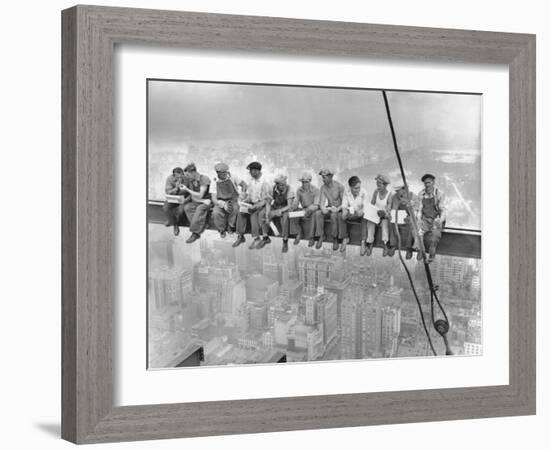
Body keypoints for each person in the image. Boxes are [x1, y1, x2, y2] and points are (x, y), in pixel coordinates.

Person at [233, 161, 272, 249]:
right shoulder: (251, 181)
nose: (250, 173)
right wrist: (244, 201)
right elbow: (250, 196)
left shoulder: (265, 182)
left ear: (256, 171)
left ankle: (259, 238)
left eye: (251, 171)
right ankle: (240, 236)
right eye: (250, 171)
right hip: (253, 204)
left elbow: (267, 199)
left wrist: (256, 206)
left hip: (263, 205)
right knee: (241, 212)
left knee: (254, 215)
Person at [177, 163, 212, 243]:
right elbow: (193, 197)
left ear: (193, 173)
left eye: (188, 175)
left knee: (200, 209)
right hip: (200, 201)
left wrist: (187, 189)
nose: (187, 177)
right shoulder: (191, 181)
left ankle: (195, 233)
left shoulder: (204, 179)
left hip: (208, 201)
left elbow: (200, 195)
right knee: (187, 207)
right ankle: (202, 225)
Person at [211, 162, 247, 239]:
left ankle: (230, 226)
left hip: (233, 199)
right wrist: (223, 204)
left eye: (226, 172)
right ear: (218, 173)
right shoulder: (214, 181)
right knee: (216, 213)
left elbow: (244, 184)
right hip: (221, 201)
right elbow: (214, 199)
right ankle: (221, 229)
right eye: (223, 173)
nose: (225, 174)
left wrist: (243, 193)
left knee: (235, 209)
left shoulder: (232, 176)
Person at [417, 173, 447, 263]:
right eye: (425, 183)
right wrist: (418, 219)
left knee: (434, 237)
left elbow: (443, 210)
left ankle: (431, 255)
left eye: (429, 183)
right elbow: (419, 209)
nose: (427, 185)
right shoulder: (421, 194)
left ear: (433, 182)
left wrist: (440, 220)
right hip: (425, 219)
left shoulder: (439, 194)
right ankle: (420, 251)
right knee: (419, 233)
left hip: (436, 219)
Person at [262, 174, 295, 253]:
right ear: (277, 184)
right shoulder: (272, 188)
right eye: (281, 185)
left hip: (285, 207)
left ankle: (285, 240)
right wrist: (267, 214)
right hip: (276, 206)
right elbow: (269, 203)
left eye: (284, 184)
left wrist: (279, 211)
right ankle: (265, 237)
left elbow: (289, 205)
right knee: (264, 214)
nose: (283, 186)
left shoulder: (290, 189)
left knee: (285, 218)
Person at [315, 168, 345, 250]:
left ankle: (335, 238)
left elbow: (345, 203)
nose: (322, 179)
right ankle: (321, 235)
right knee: (318, 213)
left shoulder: (339, 186)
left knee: (333, 215)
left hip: (339, 209)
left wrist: (337, 209)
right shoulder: (323, 188)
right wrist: (324, 209)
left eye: (324, 177)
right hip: (330, 208)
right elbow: (322, 203)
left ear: (330, 177)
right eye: (322, 177)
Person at [365, 174, 393, 256]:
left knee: (385, 225)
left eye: (379, 185)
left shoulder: (389, 194)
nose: (378, 186)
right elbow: (372, 204)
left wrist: (385, 213)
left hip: (384, 216)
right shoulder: (376, 192)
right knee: (370, 223)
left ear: (385, 185)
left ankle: (385, 244)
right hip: (375, 215)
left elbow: (388, 208)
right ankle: (370, 243)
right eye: (377, 185)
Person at [290, 172, 320, 247]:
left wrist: (309, 209)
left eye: (306, 182)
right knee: (293, 214)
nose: (304, 184)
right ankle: (299, 233)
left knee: (314, 216)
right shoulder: (299, 190)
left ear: (310, 181)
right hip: (304, 209)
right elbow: (296, 201)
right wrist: (293, 206)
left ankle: (311, 237)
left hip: (313, 209)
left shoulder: (316, 190)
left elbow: (316, 205)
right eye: (303, 182)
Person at [389, 185, 420, 260]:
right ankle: (393, 245)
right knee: (391, 222)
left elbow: (416, 212)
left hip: (410, 217)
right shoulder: (394, 197)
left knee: (412, 224)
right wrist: (392, 215)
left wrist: (408, 205)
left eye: (399, 191)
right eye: (396, 191)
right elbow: (393, 209)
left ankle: (409, 248)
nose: (398, 193)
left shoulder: (414, 197)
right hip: (399, 217)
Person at [340, 176, 368, 253]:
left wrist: (361, 211)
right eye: (355, 188)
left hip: (360, 214)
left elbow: (366, 206)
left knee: (364, 218)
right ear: (350, 187)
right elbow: (344, 205)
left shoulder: (364, 192)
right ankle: (345, 238)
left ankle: (363, 242)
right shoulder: (346, 192)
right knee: (342, 216)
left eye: (359, 187)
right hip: (351, 213)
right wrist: (344, 212)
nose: (358, 190)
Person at [162, 167, 186, 236]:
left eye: (180, 176)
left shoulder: (186, 179)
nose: (179, 178)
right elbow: (168, 191)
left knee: (180, 211)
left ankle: (176, 224)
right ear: (173, 175)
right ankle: (172, 222)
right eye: (177, 177)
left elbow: (189, 191)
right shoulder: (169, 179)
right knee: (165, 208)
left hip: (183, 199)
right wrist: (176, 188)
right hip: (173, 197)